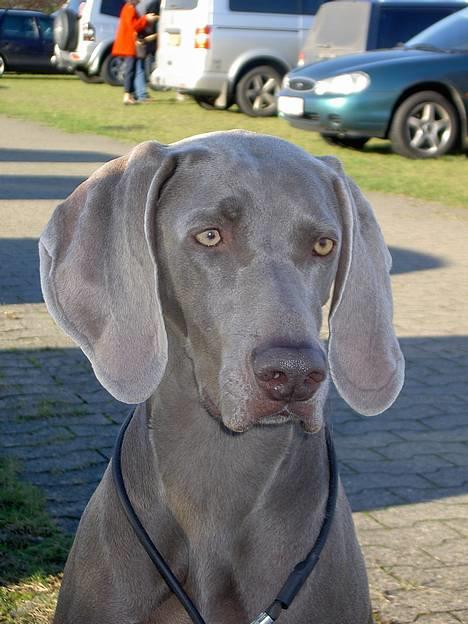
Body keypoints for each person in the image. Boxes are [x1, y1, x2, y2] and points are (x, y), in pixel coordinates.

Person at [112, 0, 158, 105]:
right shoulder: (129, 9)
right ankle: (127, 95)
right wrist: (146, 19)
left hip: (130, 44)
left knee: (131, 70)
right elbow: (134, 25)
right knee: (130, 70)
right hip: (129, 45)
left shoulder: (129, 8)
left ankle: (131, 95)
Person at [134, 0, 160, 102]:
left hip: (141, 38)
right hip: (142, 39)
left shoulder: (139, 4)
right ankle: (141, 95)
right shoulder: (153, 4)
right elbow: (150, 20)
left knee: (138, 67)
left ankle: (137, 93)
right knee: (139, 67)